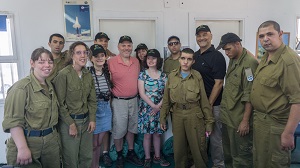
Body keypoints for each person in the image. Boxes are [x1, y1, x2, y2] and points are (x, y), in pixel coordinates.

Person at [250, 20, 300, 168]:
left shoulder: (288, 61)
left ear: (280, 34)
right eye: (262, 36)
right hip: (261, 121)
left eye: (270, 34)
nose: (265, 39)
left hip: (276, 126)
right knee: (260, 160)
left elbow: (297, 101)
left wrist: (288, 133)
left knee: (274, 163)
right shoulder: (267, 56)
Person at [2, 47, 60, 167]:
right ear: (32, 63)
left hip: (50, 143)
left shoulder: (50, 85)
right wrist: (22, 148)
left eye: (50, 62)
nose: (47, 65)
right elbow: (13, 122)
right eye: (41, 62)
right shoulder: (20, 88)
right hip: (28, 142)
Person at [160, 48, 214, 168]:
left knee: (198, 148)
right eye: (183, 58)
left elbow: (204, 101)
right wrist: (162, 118)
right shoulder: (172, 76)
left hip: (194, 114)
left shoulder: (197, 76)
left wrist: (209, 122)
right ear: (179, 59)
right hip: (177, 115)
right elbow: (166, 100)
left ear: (193, 62)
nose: (185, 62)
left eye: (189, 59)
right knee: (179, 149)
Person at [216, 33, 258, 168]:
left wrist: (245, 121)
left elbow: (250, 95)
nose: (226, 53)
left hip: (239, 120)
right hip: (228, 118)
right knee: (228, 155)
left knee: (241, 159)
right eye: (225, 50)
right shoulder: (234, 58)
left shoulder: (249, 64)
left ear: (237, 44)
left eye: (228, 49)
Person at [53, 41, 97, 168]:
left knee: (86, 157)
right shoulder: (63, 75)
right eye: (78, 53)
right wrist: (70, 123)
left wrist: (92, 119)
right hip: (70, 124)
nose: (83, 56)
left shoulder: (88, 74)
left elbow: (92, 100)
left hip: (86, 122)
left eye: (85, 52)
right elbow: (59, 103)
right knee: (71, 160)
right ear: (72, 55)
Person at [192, 25, 226, 168]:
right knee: (199, 136)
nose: (202, 38)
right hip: (197, 105)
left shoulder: (217, 56)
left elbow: (218, 83)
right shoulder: (195, 56)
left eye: (205, 34)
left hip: (214, 105)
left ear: (211, 35)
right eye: (199, 35)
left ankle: (219, 164)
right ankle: (200, 163)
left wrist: (209, 105)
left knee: (215, 137)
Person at [108, 35, 143, 168]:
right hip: (118, 102)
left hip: (134, 100)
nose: (126, 48)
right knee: (119, 129)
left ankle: (130, 152)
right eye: (123, 45)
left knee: (132, 128)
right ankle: (119, 155)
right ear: (118, 47)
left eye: (129, 45)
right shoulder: (111, 62)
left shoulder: (136, 61)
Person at [138, 49, 170, 168]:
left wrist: (158, 106)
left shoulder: (163, 75)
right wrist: (154, 106)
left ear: (158, 60)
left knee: (157, 134)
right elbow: (142, 93)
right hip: (146, 109)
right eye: (148, 58)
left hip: (160, 108)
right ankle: (147, 158)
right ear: (146, 60)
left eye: (153, 58)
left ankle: (157, 156)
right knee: (147, 135)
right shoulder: (142, 74)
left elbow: (166, 93)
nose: (151, 61)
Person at [89, 44, 113, 168]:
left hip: (106, 108)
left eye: (102, 55)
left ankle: (97, 165)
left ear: (105, 57)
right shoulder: (87, 73)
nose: (99, 58)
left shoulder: (107, 73)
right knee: (93, 144)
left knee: (98, 143)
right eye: (96, 56)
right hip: (94, 110)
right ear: (91, 58)